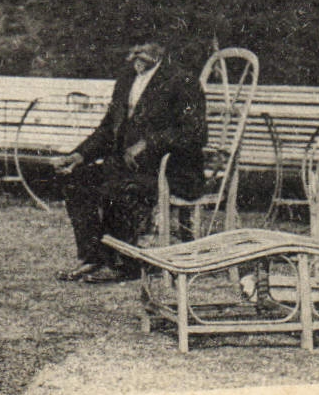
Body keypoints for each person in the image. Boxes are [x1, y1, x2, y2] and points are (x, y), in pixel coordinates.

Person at [51, 42, 207, 284]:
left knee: (119, 186)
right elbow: (108, 129)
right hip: (129, 167)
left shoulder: (181, 80)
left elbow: (195, 134)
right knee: (76, 179)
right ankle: (94, 258)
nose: (137, 54)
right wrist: (79, 155)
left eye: (143, 48)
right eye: (133, 48)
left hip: (172, 170)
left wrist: (148, 143)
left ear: (160, 49)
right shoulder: (127, 78)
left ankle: (123, 264)